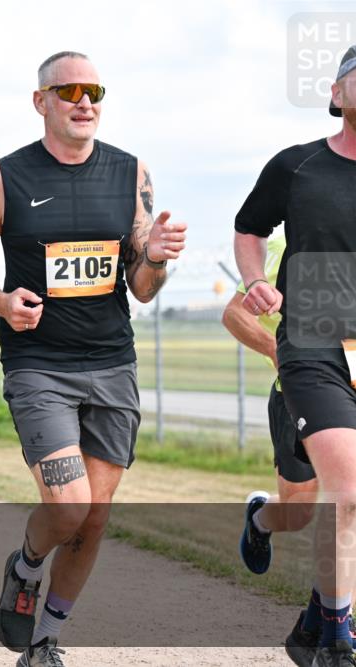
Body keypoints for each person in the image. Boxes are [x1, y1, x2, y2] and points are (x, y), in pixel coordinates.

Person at [0, 51, 186, 666]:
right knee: (69, 505)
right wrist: (2, 303)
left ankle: (45, 640)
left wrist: (154, 255)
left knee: (95, 518)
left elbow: (141, 287)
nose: (86, 101)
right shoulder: (6, 176)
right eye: (70, 90)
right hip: (38, 366)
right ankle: (25, 566)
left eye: (95, 90)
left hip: (112, 363)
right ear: (42, 102)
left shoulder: (132, 172)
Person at [234, 45, 356, 667]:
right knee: (347, 489)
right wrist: (255, 277)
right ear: (336, 94)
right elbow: (250, 227)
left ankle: (313, 619)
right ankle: (339, 638)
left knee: (318, 508)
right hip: (314, 343)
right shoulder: (298, 166)